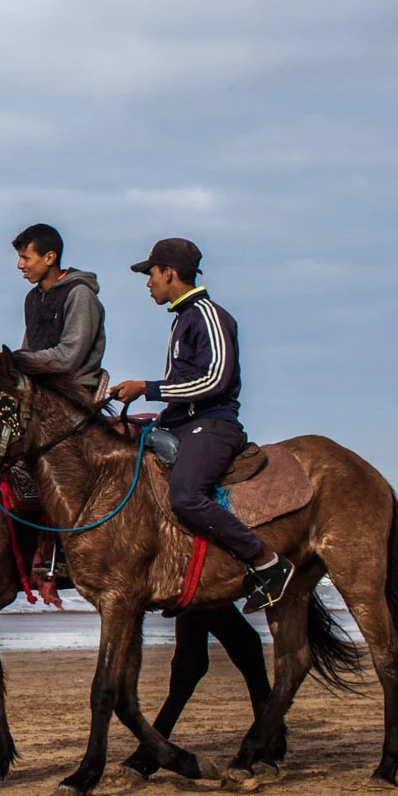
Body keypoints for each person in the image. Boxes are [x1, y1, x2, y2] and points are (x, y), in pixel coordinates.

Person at [109, 239, 294, 612]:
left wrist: (148, 388)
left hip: (212, 425)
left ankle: (266, 562)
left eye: (151, 275)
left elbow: (216, 381)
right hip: (184, 425)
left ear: (170, 274)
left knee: (185, 497)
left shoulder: (209, 315)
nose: (148, 283)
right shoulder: (182, 318)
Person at [0, 222, 107, 397]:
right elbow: (28, 353)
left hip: (74, 393)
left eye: (26, 258)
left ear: (49, 258)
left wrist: (7, 359)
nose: (20, 265)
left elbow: (68, 358)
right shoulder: (32, 298)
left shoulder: (80, 294)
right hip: (38, 390)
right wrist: (3, 365)